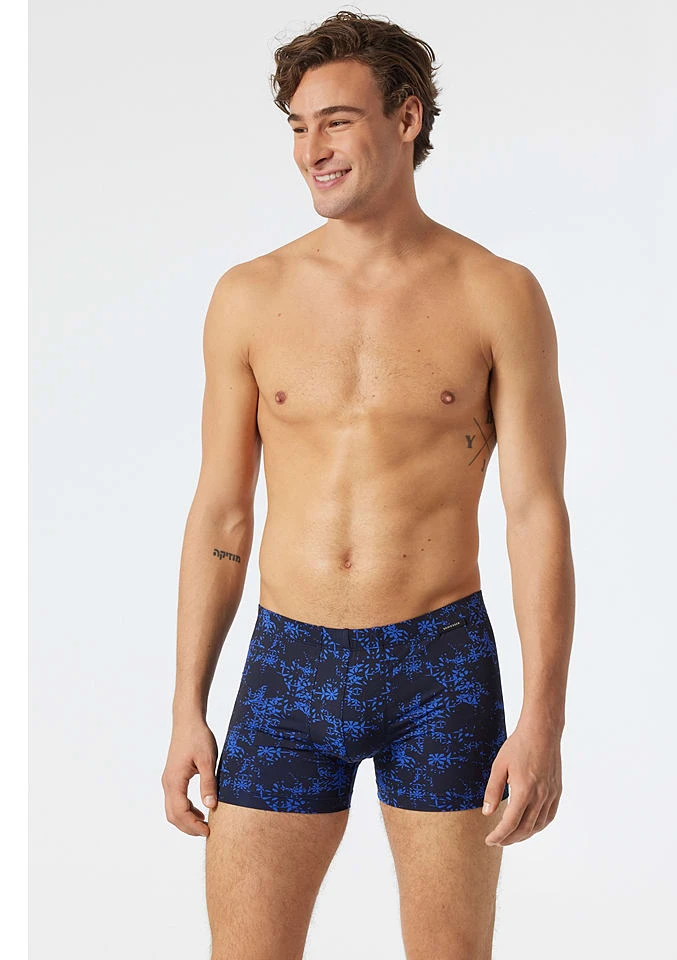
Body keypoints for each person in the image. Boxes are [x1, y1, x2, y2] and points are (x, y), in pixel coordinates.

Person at [161, 9, 575, 959]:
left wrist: (544, 719)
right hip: (288, 667)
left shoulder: (497, 292)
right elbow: (221, 513)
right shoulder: (249, 296)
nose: (313, 149)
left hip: (442, 666)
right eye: (299, 127)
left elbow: (535, 512)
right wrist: (187, 704)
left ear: (407, 118)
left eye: (337, 121)